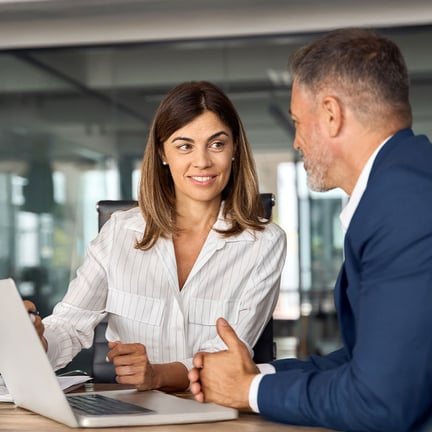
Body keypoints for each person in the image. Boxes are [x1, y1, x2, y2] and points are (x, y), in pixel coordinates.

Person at [188, 28, 432, 432]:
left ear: (332, 115)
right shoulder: (405, 181)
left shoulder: (404, 204)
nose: (297, 141)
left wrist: (247, 391)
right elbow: (366, 360)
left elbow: (378, 400)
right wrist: (258, 374)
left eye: (299, 122)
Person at [25, 81, 287, 392]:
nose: (202, 161)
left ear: (234, 150)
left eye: (216, 144)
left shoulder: (265, 242)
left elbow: (229, 355)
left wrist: (158, 374)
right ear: (163, 153)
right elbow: (69, 327)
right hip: (130, 411)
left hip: (215, 412)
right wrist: (37, 339)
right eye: (184, 145)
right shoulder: (120, 233)